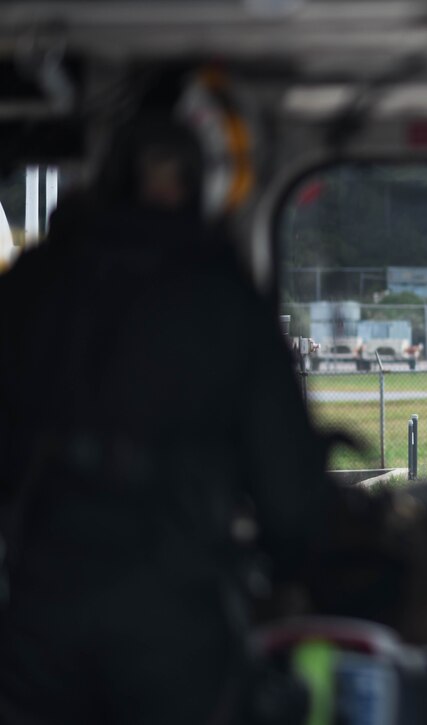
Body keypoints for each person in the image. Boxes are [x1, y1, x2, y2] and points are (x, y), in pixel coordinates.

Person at [0, 102, 334, 723]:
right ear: (196, 190)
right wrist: (300, 564)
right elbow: (290, 496)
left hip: (40, 605)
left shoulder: (30, 286)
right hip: (171, 605)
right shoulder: (225, 299)